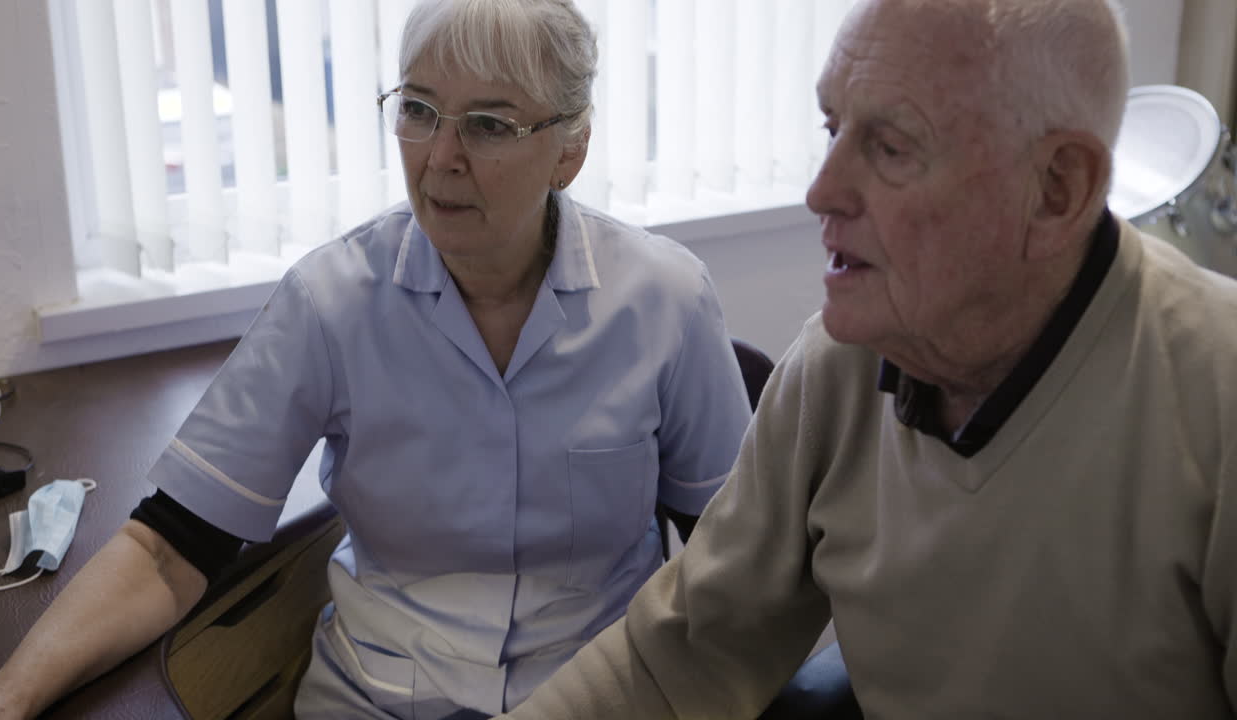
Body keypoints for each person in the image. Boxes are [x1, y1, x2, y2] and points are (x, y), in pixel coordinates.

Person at [0, 1, 752, 718]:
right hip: (382, 699)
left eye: (488, 124)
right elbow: (169, 547)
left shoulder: (664, 301)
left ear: (569, 151)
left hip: (599, 693)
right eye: (418, 109)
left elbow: (733, 557)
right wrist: (2, 700)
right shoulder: (331, 301)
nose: (440, 155)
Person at [497, 0, 1237, 718]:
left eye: (891, 147)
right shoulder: (836, 368)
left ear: (1056, 189)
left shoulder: (1215, 397)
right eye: (833, 127)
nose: (822, 191)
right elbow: (682, 656)